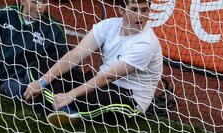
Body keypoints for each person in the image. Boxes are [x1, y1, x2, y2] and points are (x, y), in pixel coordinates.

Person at [22, 0, 162, 125]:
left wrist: (71, 94)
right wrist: (42, 82)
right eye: (134, 10)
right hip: (98, 84)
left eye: (144, 10)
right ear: (122, 10)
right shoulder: (108, 25)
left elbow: (109, 76)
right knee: (40, 67)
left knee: (97, 100)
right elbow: (75, 55)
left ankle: (53, 103)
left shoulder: (146, 43)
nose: (140, 16)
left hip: (127, 98)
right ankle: (64, 107)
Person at [0, 0, 68, 100]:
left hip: (32, 78)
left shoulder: (54, 29)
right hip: (3, 76)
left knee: (17, 87)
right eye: (34, 2)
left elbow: (65, 60)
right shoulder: (6, 14)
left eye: (44, 1)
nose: (40, 7)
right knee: (13, 88)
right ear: (23, 1)